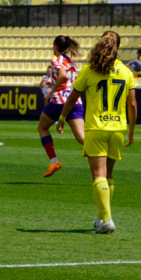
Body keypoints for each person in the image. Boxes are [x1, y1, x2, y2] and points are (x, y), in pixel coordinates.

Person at [56, 31, 137, 234]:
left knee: (97, 175)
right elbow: (133, 104)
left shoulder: (90, 70)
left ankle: (107, 219)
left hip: (96, 127)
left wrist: (62, 118)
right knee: (108, 175)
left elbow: (73, 97)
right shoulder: (126, 72)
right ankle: (102, 216)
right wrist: (132, 131)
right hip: (118, 129)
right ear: (117, 47)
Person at [39, 35, 85, 178]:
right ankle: (103, 154)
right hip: (75, 101)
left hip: (59, 101)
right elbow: (69, 81)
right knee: (81, 138)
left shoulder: (56, 61)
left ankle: (54, 162)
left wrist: (51, 92)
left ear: (55, 46)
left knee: (42, 127)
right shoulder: (71, 61)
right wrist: (54, 84)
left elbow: (63, 76)